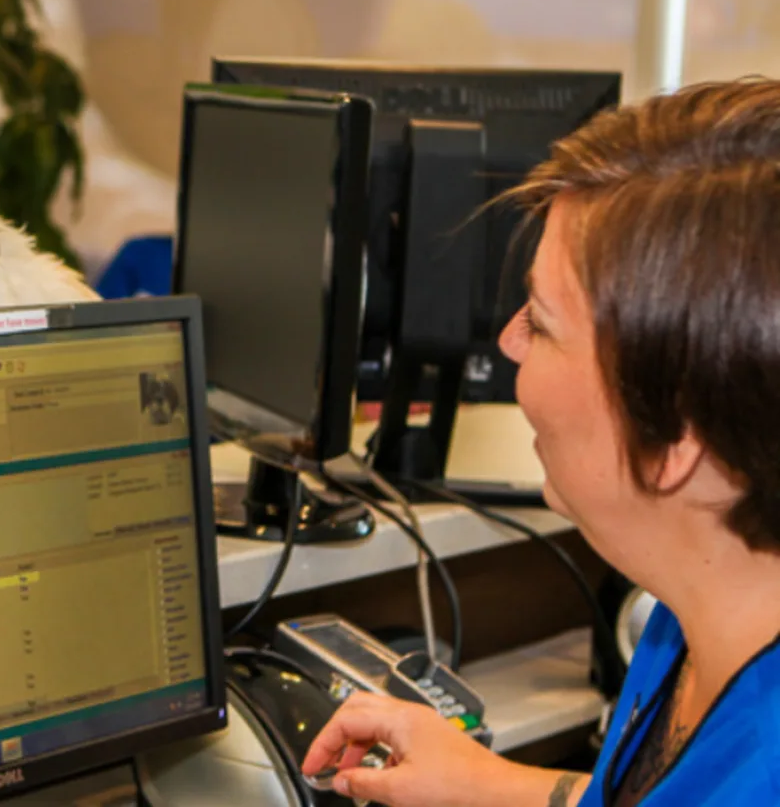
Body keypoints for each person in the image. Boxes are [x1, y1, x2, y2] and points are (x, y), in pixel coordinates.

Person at [301, 78, 780, 806]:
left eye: (545, 324)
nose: (509, 340)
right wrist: (487, 783)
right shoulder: (694, 611)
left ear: (675, 437)